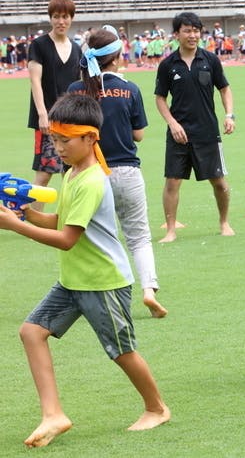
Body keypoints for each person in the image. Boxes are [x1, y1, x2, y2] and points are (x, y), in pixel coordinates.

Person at [0, 93, 170, 448]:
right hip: (74, 280)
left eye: (65, 140)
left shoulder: (92, 181)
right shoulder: (73, 173)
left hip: (102, 282)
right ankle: (53, 415)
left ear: (91, 138)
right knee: (31, 332)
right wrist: (25, 213)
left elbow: (66, 239)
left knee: (121, 351)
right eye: (54, 140)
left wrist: (14, 227)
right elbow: (60, 221)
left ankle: (157, 408)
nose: (58, 148)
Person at [67, 26, 168, 318]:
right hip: (126, 171)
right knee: (139, 236)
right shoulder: (130, 89)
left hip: (89, 174)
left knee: (96, 237)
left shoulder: (75, 90)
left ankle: (100, 294)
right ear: (116, 57)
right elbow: (139, 134)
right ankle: (148, 289)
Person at [154, 12, 235, 243]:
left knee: (219, 181)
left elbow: (224, 89)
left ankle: (224, 222)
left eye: (196, 31)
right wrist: (172, 123)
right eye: (187, 31)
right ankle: (170, 230)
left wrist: (229, 115)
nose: (193, 35)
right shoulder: (168, 65)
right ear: (176, 34)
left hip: (207, 131)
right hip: (178, 134)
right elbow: (160, 98)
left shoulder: (210, 60)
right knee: (172, 182)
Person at [27, 0, 82, 209]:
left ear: (71, 18)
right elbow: (35, 80)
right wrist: (42, 114)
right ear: (50, 18)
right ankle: (32, 220)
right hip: (47, 121)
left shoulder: (76, 48)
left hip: (70, 120)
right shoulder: (39, 45)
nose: (61, 21)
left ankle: (69, 219)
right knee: (44, 173)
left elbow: (78, 85)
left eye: (65, 17)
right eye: (56, 16)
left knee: (71, 172)